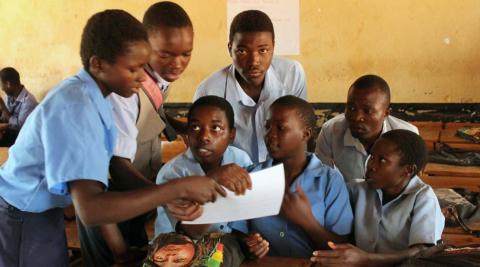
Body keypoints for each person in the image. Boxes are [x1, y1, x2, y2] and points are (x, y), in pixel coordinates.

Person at [0, 10, 240, 266]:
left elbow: (100, 177)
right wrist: (177, 188)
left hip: (42, 210)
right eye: (134, 68)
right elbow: (91, 209)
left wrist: (165, 199)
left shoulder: (95, 97)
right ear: (98, 64)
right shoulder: (78, 106)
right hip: (22, 213)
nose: (142, 77)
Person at [78, 2, 195, 265]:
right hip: (110, 204)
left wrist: (183, 126)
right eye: (165, 54)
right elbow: (116, 165)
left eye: (186, 54)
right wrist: (164, 196)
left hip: (136, 197)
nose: (177, 64)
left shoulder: (158, 78)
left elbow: (152, 111)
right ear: (144, 45)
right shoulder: (124, 91)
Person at [233, 96, 353, 259]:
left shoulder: (330, 181)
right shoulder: (251, 177)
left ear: (305, 134)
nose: (270, 135)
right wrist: (249, 244)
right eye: (268, 127)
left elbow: (340, 250)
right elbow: (237, 233)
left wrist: (308, 222)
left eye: (281, 128)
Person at [311, 129, 444, 266]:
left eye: (382, 160)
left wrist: (367, 259)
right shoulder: (357, 189)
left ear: (408, 170)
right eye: (372, 157)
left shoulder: (423, 197)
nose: (371, 166)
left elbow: (422, 251)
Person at [193, 10, 307, 163]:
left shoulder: (292, 75)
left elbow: (300, 134)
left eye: (263, 50)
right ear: (230, 49)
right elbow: (202, 150)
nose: (254, 61)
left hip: (282, 171)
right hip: (230, 176)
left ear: (274, 47)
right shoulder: (209, 91)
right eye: (242, 51)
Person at [155, 96, 253, 238]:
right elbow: (193, 231)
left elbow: (248, 213)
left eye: (216, 128)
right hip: (178, 249)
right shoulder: (171, 174)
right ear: (187, 133)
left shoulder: (241, 160)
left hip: (230, 244)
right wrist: (213, 180)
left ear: (231, 134)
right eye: (195, 127)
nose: (204, 136)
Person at [315, 74, 418, 182]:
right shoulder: (331, 131)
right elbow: (321, 179)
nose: (357, 117)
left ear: (385, 113)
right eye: (351, 108)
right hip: (346, 197)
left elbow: (410, 185)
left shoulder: (407, 136)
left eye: (367, 111)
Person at [0, 67, 38, 146]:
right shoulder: (9, 95)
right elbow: (4, 117)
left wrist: (2, 106)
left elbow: (18, 126)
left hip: (19, 138)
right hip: (8, 132)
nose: (1, 89)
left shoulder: (28, 101)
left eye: (1, 85)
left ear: (8, 84)